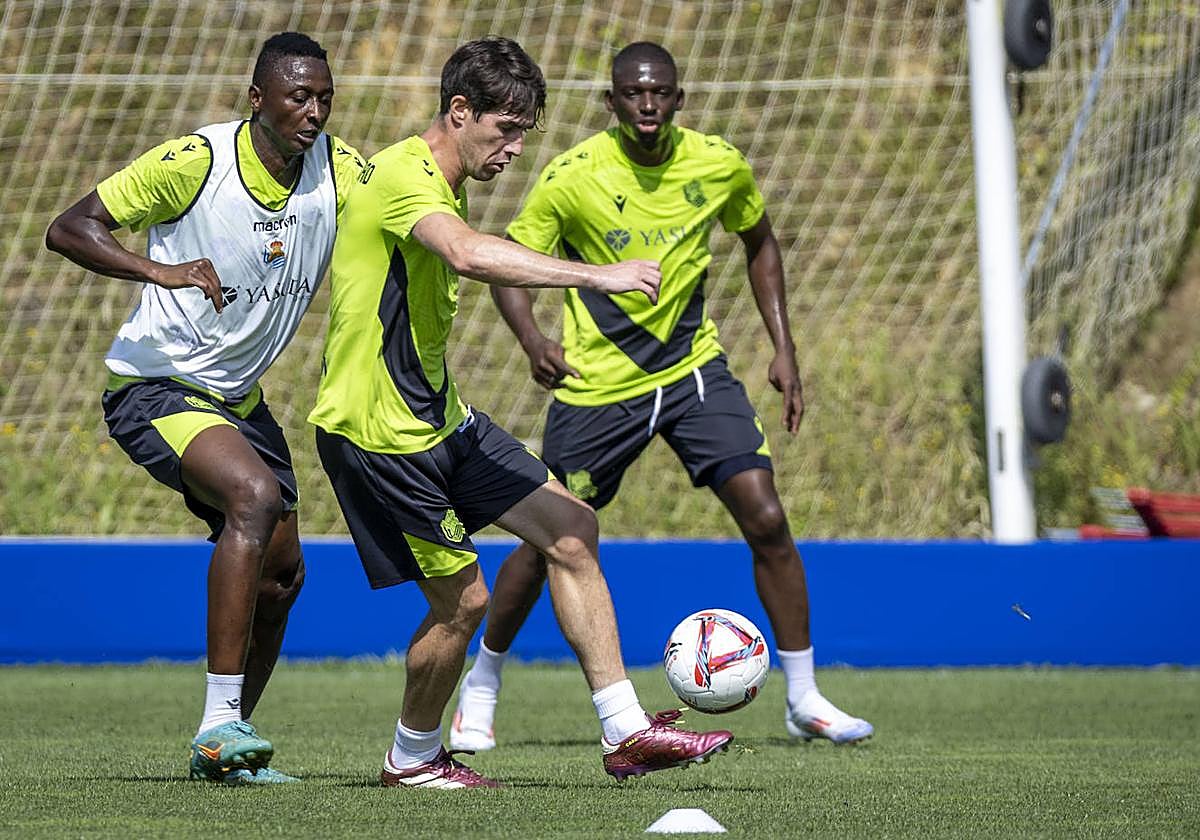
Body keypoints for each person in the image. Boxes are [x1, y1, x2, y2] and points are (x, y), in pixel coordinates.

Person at [308, 36, 733, 789]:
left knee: (571, 528)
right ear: (459, 111)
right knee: (462, 602)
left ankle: (626, 731)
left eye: (523, 134)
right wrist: (598, 276)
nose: (514, 150)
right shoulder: (407, 174)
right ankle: (412, 758)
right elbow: (469, 254)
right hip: (380, 433)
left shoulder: (446, 178)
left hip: (438, 418)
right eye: (505, 130)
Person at [450, 42, 873, 751]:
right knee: (549, 536)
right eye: (633, 93)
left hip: (692, 374)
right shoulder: (572, 177)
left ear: (678, 99)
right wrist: (533, 341)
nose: (647, 105)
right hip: (598, 387)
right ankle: (482, 684)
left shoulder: (717, 163)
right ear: (611, 102)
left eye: (660, 93)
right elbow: (510, 265)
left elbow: (760, 242)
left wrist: (784, 346)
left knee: (767, 515)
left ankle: (804, 697)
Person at [45, 32, 366, 785]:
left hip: (238, 401)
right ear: (257, 99)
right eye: (298, 96)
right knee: (252, 496)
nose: (314, 112)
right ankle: (217, 724)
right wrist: (157, 270)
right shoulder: (198, 161)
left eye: (324, 98)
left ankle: (228, 744)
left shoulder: (340, 170)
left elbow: (407, 216)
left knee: (283, 577)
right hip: (154, 387)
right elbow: (69, 228)